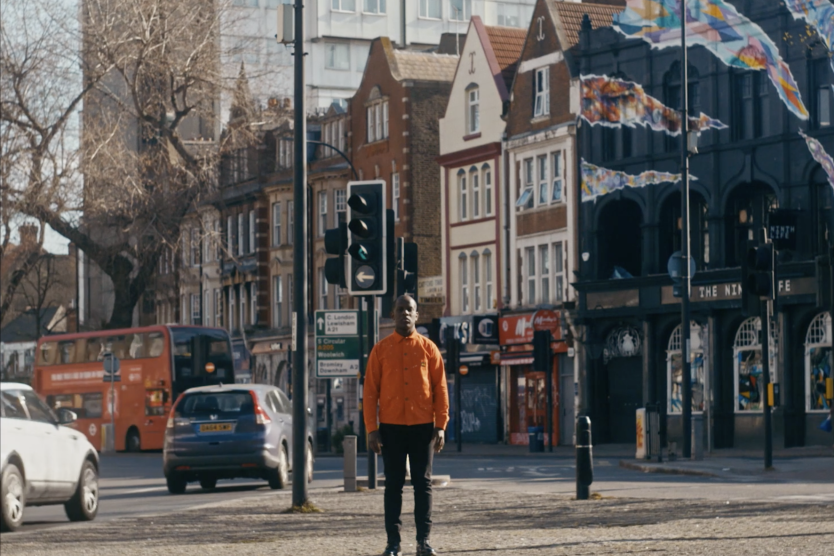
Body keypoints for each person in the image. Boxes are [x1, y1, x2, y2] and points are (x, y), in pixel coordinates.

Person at [364, 295, 449, 556]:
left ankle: (423, 541)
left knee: (423, 485)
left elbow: (440, 388)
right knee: (393, 485)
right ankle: (393, 543)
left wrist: (441, 424)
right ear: (392, 314)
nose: (405, 314)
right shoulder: (381, 349)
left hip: (423, 426)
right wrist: (371, 429)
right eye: (400, 309)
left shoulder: (429, 348)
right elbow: (370, 392)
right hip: (391, 427)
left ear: (417, 315)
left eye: (409, 309)